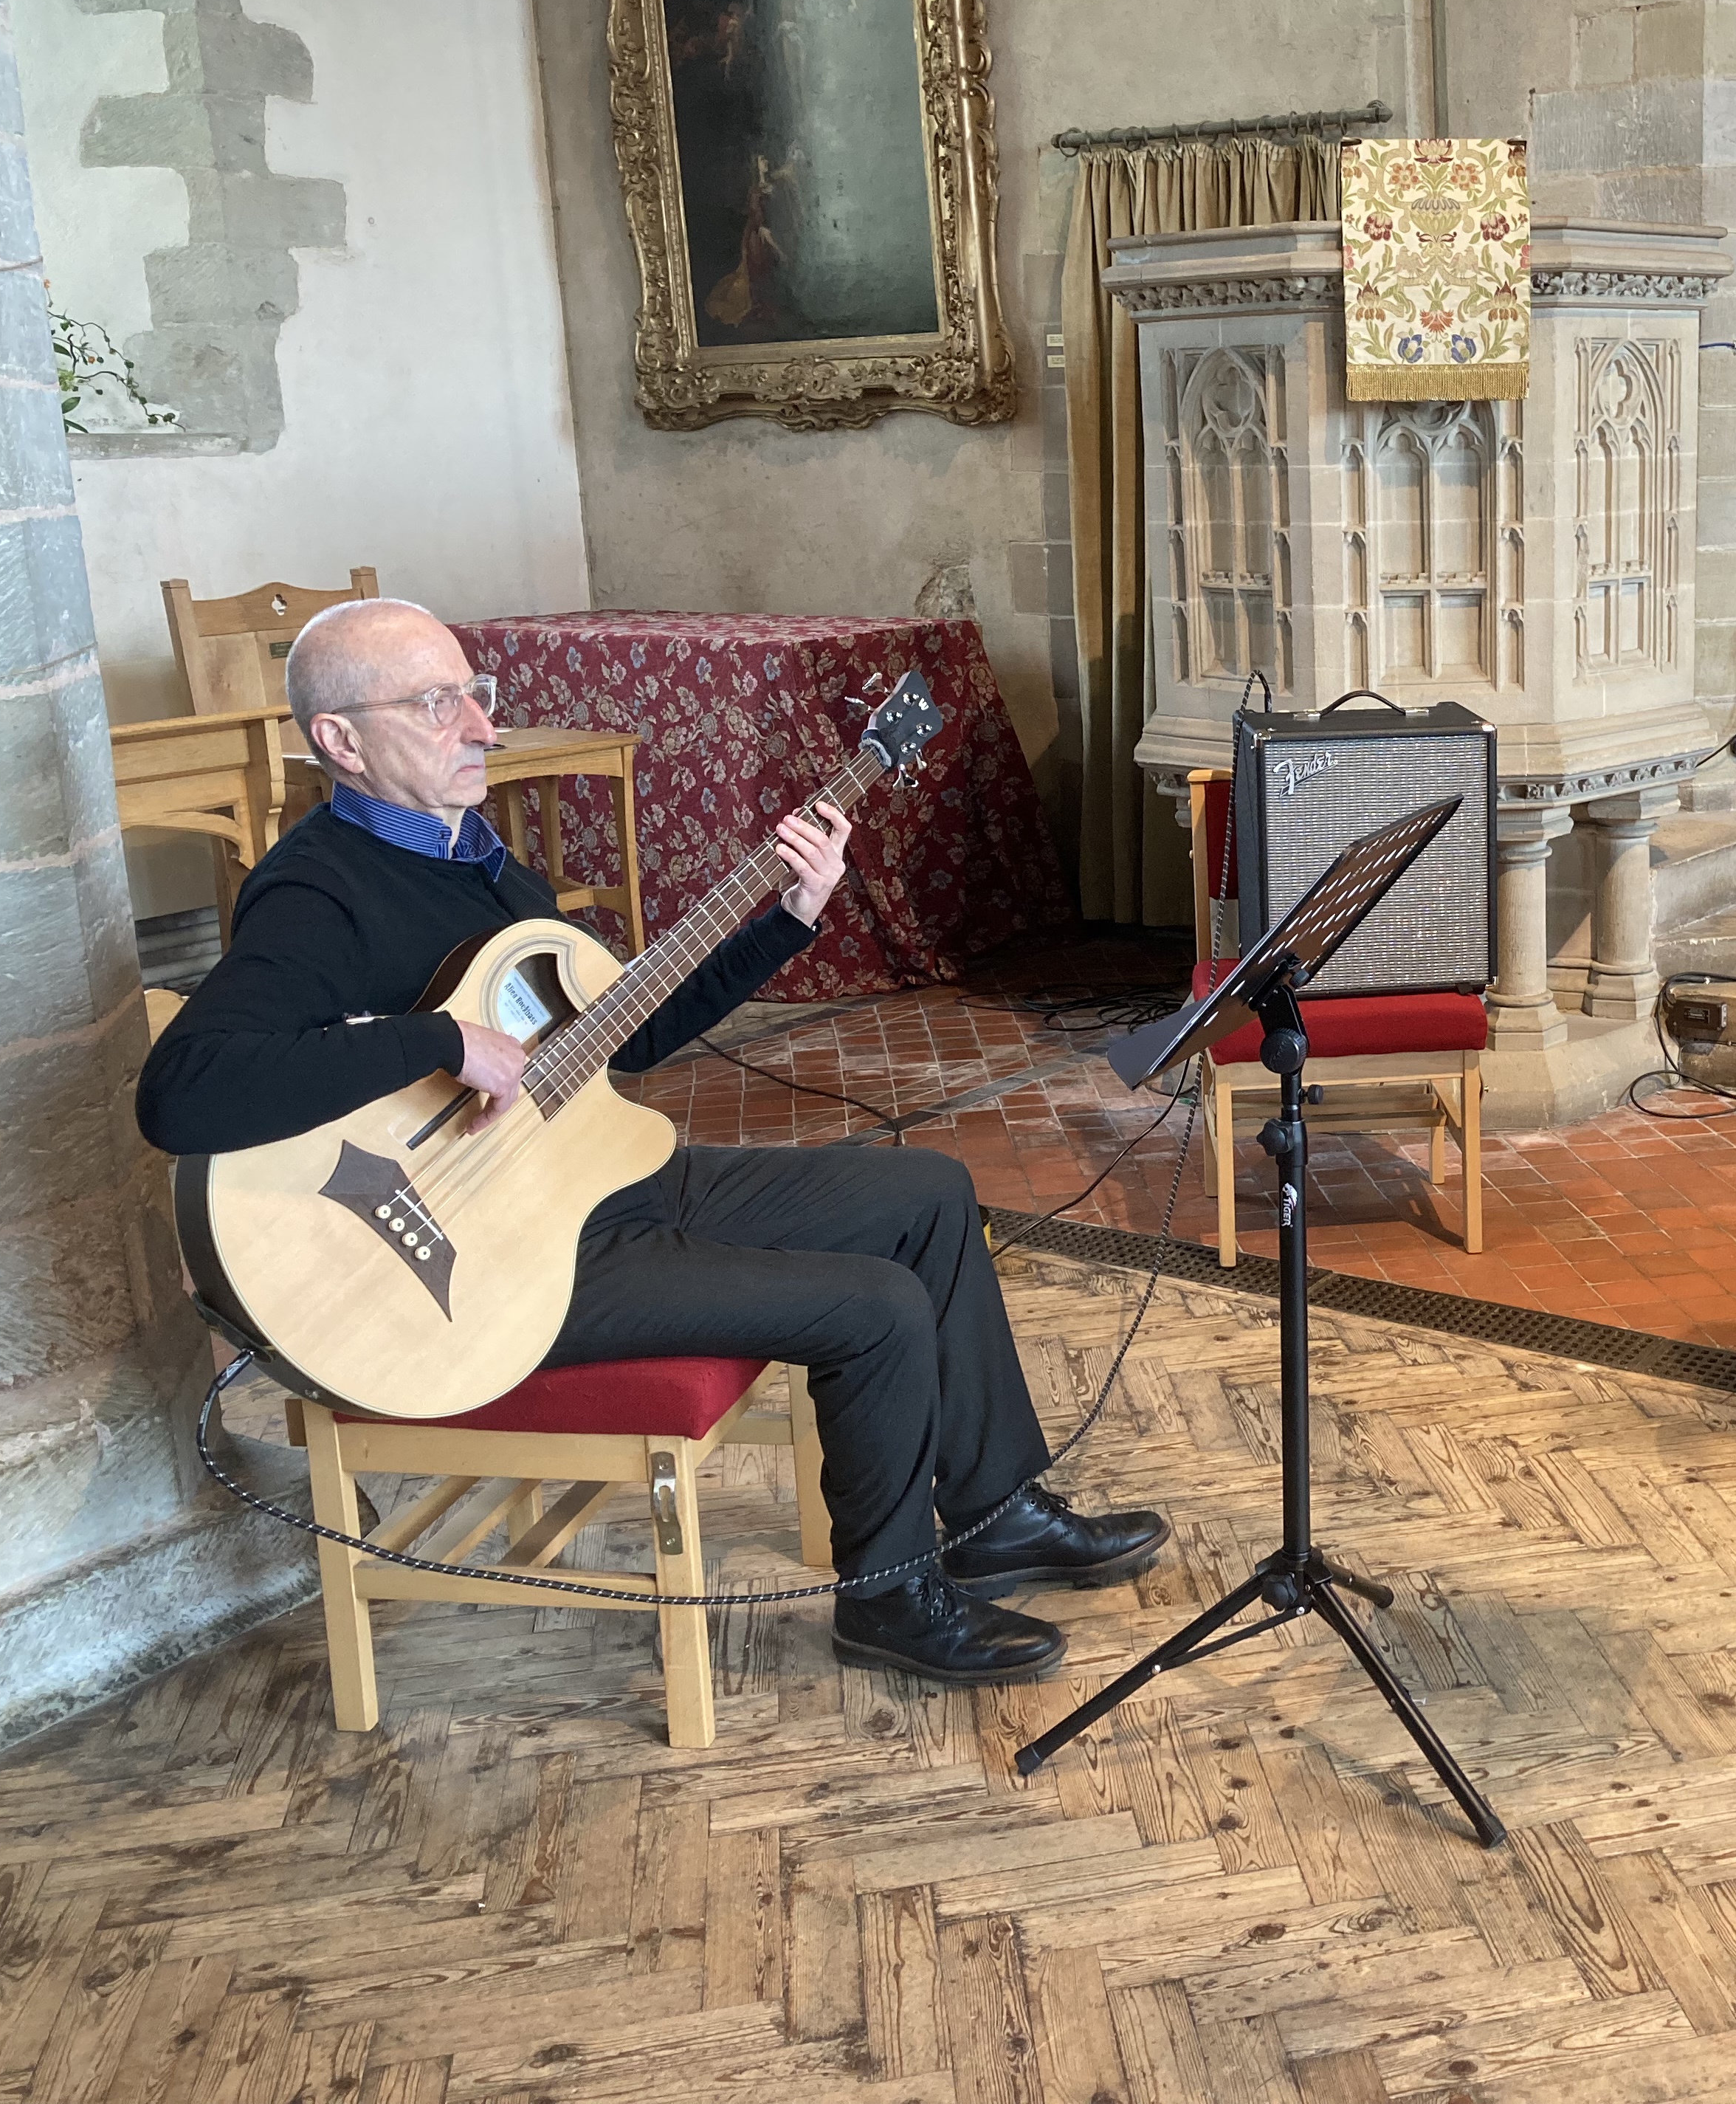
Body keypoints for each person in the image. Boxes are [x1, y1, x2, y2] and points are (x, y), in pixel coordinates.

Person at [139, 599, 1168, 1683]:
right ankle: (889, 1598)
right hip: (497, 1264)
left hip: (597, 1184)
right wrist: (435, 1039)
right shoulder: (318, 892)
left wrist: (790, 916)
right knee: (875, 1308)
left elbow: (626, 1033)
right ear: (340, 740)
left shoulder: (479, 861)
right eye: (437, 705)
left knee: (930, 1194)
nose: (482, 728)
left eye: (476, 696)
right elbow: (184, 1093)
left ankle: (997, 1512)